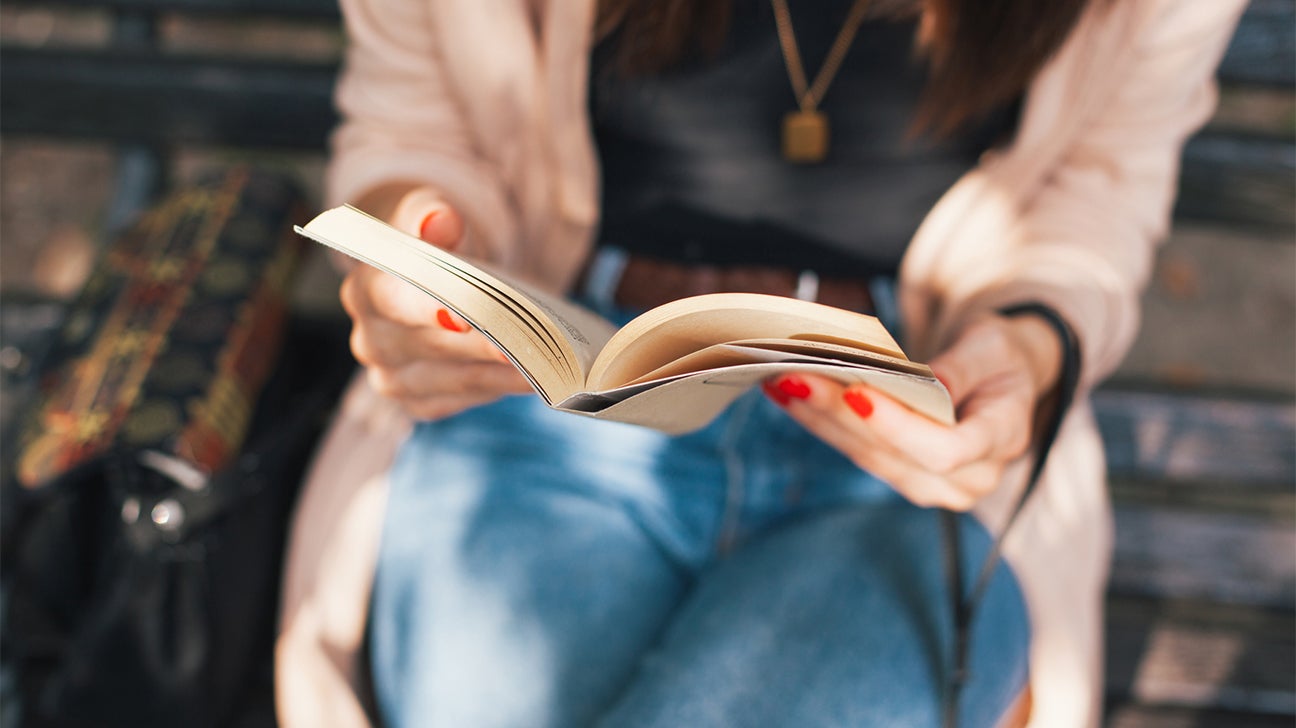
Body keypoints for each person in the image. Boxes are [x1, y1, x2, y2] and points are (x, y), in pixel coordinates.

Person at [274, 1, 1245, 726]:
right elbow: (415, 115)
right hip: (558, 384)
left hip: (907, 432)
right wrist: (420, 243)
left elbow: (1099, 187)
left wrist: (1031, 350)